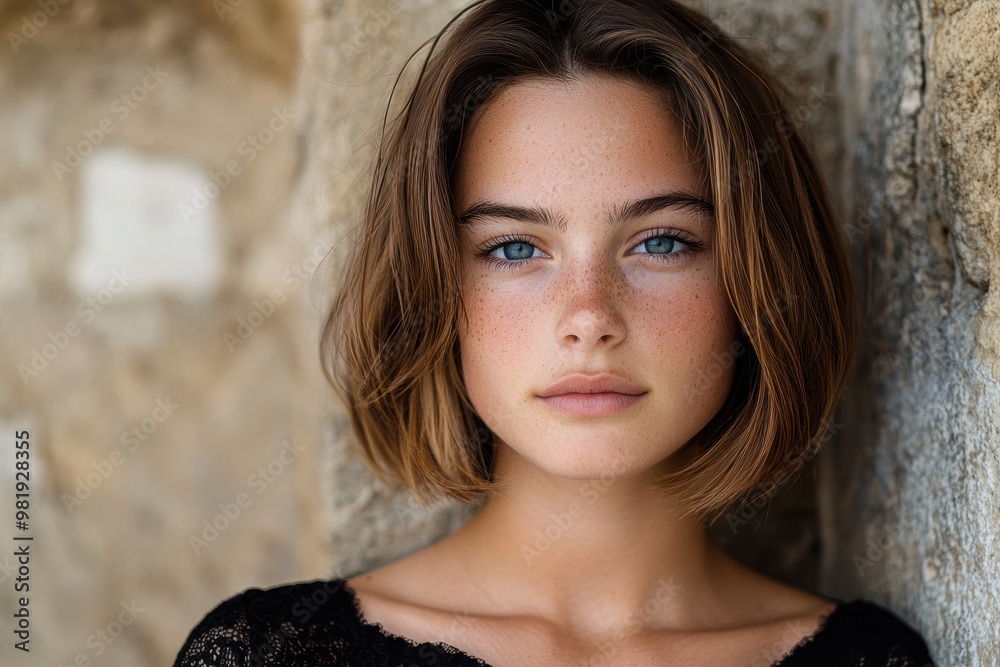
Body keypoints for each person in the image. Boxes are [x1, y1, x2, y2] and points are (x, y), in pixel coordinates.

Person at [173, 0, 936, 664]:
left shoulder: (869, 659)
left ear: (755, 281)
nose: (589, 318)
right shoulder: (272, 653)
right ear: (437, 290)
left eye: (661, 241)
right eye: (513, 248)